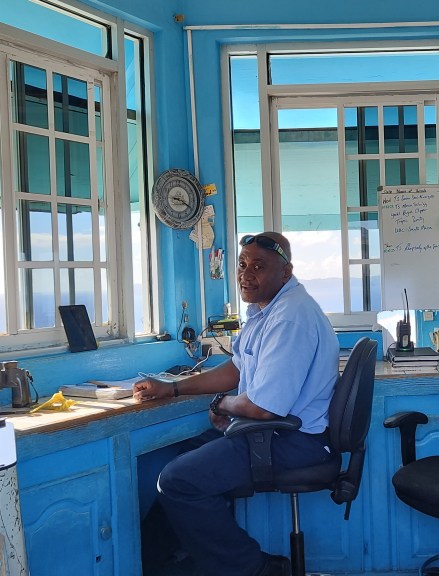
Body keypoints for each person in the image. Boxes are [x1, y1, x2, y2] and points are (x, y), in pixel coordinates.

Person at [133, 231, 339, 576]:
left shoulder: (289, 317)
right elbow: (235, 369)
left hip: (294, 441)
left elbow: (263, 408)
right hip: (271, 433)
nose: (246, 274)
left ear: (285, 273)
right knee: (182, 455)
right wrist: (173, 389)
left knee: (178, 481)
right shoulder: (265, 311)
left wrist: (221, 404)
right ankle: (164, 564)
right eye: (243, 264)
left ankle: (257, 569)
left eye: (259, 266)